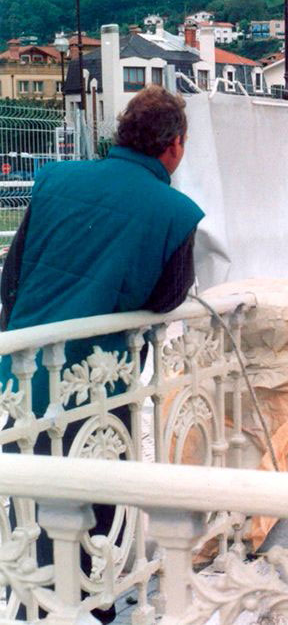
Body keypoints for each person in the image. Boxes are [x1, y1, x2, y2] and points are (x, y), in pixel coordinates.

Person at [0, 86, 204, 623]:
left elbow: (12, 273)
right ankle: (92, 601)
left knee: (30, 488)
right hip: (99, 375)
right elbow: (168, 295)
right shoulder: (175, 210)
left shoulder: (56, 179)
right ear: (174, 146)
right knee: (95, 483)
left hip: (24, 366)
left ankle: (34, 603)